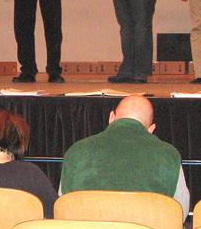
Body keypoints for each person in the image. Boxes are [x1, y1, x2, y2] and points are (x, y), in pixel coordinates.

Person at [60, 95, 190, 222]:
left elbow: (62, 205)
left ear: (111, 118)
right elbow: (180, 213)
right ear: (151, 129)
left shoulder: (76, 151)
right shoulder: (168, 154)